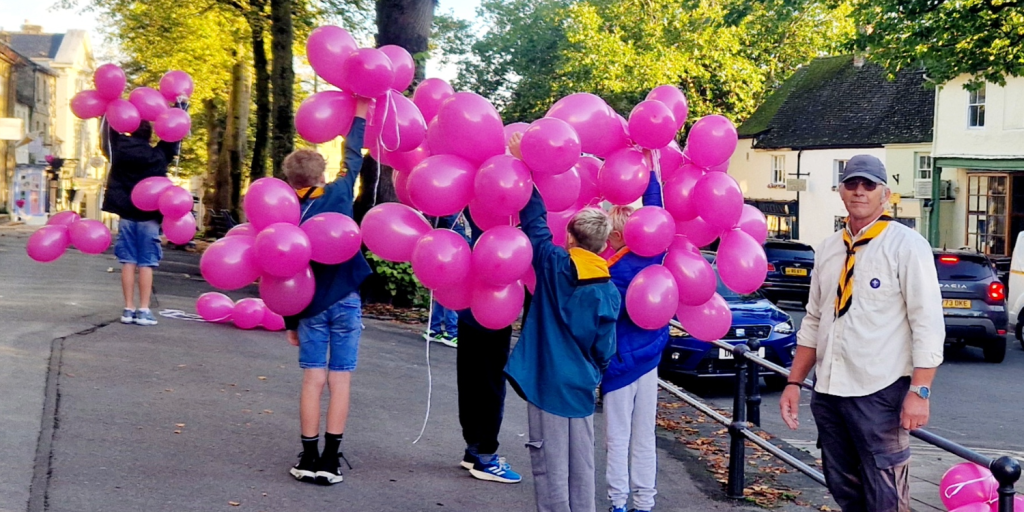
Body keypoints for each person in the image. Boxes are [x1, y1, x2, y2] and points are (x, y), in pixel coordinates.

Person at [778, 154, 944, 512]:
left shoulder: (906, 246)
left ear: (885, 194)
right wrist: (794, 383)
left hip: (880, 392)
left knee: (885, 498)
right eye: (852, 183)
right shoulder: (828, 249)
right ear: (841, 190)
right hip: (830, 391)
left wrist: (920, 391)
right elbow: (814, 320)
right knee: (843, 488)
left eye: (869, 185)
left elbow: (928, 324)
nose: (859, 191)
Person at [506, 133, 621, 512]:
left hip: (546, 380)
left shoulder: (553, 265)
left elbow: (535, 221)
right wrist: (595, 371)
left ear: (570, 235)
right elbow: (605, 347)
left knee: (549, 465)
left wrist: (528, 166)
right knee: (582, 464)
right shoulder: (608, 289)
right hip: (582, 384)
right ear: (603, 246)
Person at [282, 100, 371, 486]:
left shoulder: (285, 212)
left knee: (312, 380)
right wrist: (361, 113)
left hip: (309, 303)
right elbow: (353, 157)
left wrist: (290, 320)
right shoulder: (337, 192)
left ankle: (308, 455)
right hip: (346, 298)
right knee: (341, 379)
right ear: (321, 174)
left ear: (289, 182)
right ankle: (331, 460)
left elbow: (280, 267)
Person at [602, 168, 667, 512]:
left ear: (614, 235)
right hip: (649, 359)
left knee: (618, 437)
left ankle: (618, 501)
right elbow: (657, 211)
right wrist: (651, 171)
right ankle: (645, 501)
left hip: (618, 365)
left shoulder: (605, 272)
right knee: (644, 437)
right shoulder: (652, 257)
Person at [455, 208, 524, 484]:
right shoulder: (504, 211)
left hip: (469, 302)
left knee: (471, 379)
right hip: (495, 304)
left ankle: (474, 449)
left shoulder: (477, 202)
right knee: (490, 385)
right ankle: (484, 456)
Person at [101, 116, 180, 326]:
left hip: (126, 215)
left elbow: (106, 136)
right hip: (149, 218)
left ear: (130, 130)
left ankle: (128, 309)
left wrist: (108, 113)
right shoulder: (158, 155)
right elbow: (173, 139)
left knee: (128, 261)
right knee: (146, 263)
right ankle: (144, 310)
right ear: (150, 134)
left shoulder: (118, 149)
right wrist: (181, 108)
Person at [425, 213, 469, 348]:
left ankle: (434, 329)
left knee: (443, 293)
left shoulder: (443, 210)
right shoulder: (452, 211)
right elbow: (457, 232)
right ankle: (452, 333)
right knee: (452, 292)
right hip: (453, 255)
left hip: (442, 253)